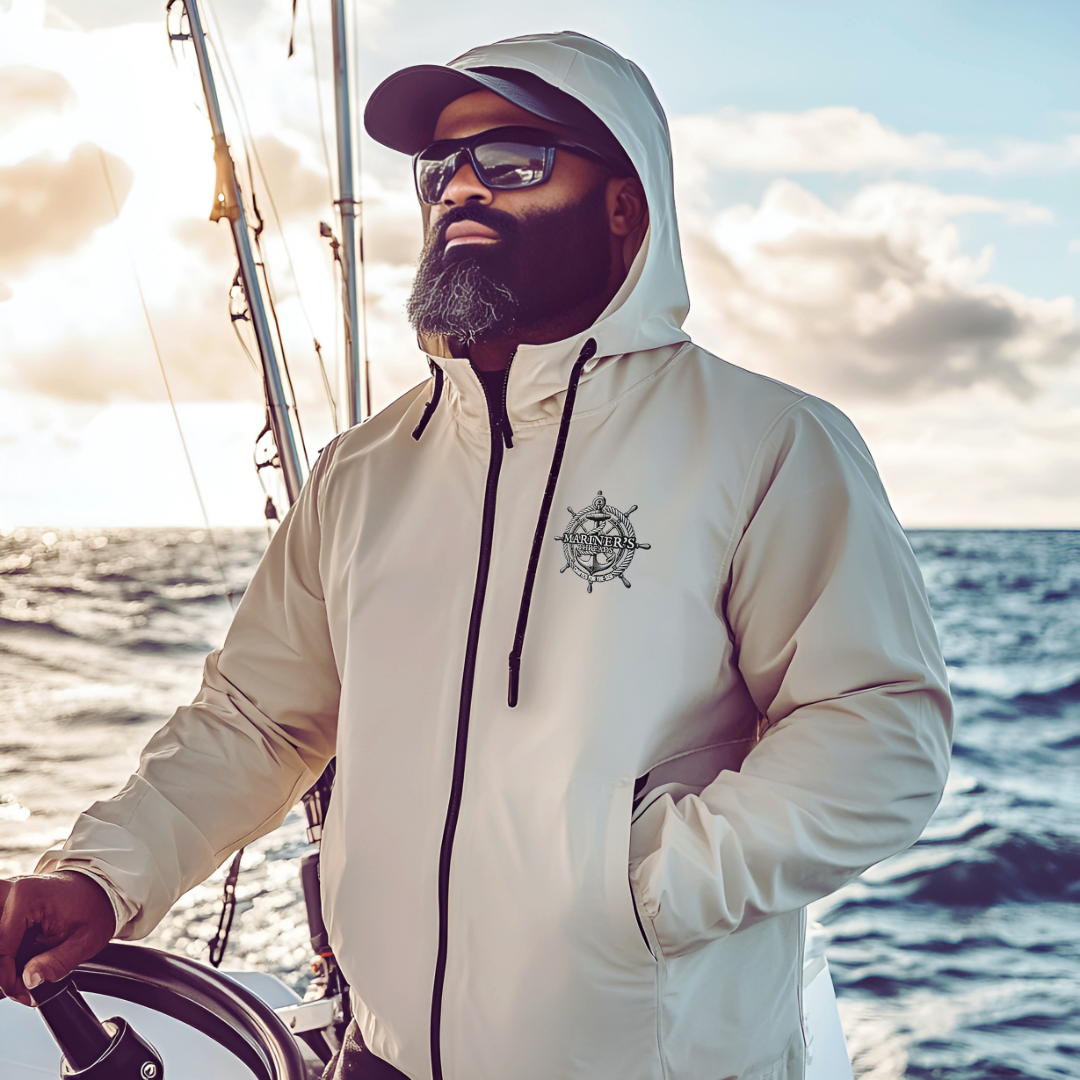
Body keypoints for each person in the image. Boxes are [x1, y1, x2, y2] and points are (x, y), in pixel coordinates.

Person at [0, 31, 953, 1080]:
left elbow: (878, 734)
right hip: (385, 1058)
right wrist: (101, 876)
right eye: (440, 168)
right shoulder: (360, 473)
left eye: (511, 160)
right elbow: (258, 722)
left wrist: (636, 888)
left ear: (625, 204)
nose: (460, 189)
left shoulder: (767, 443)